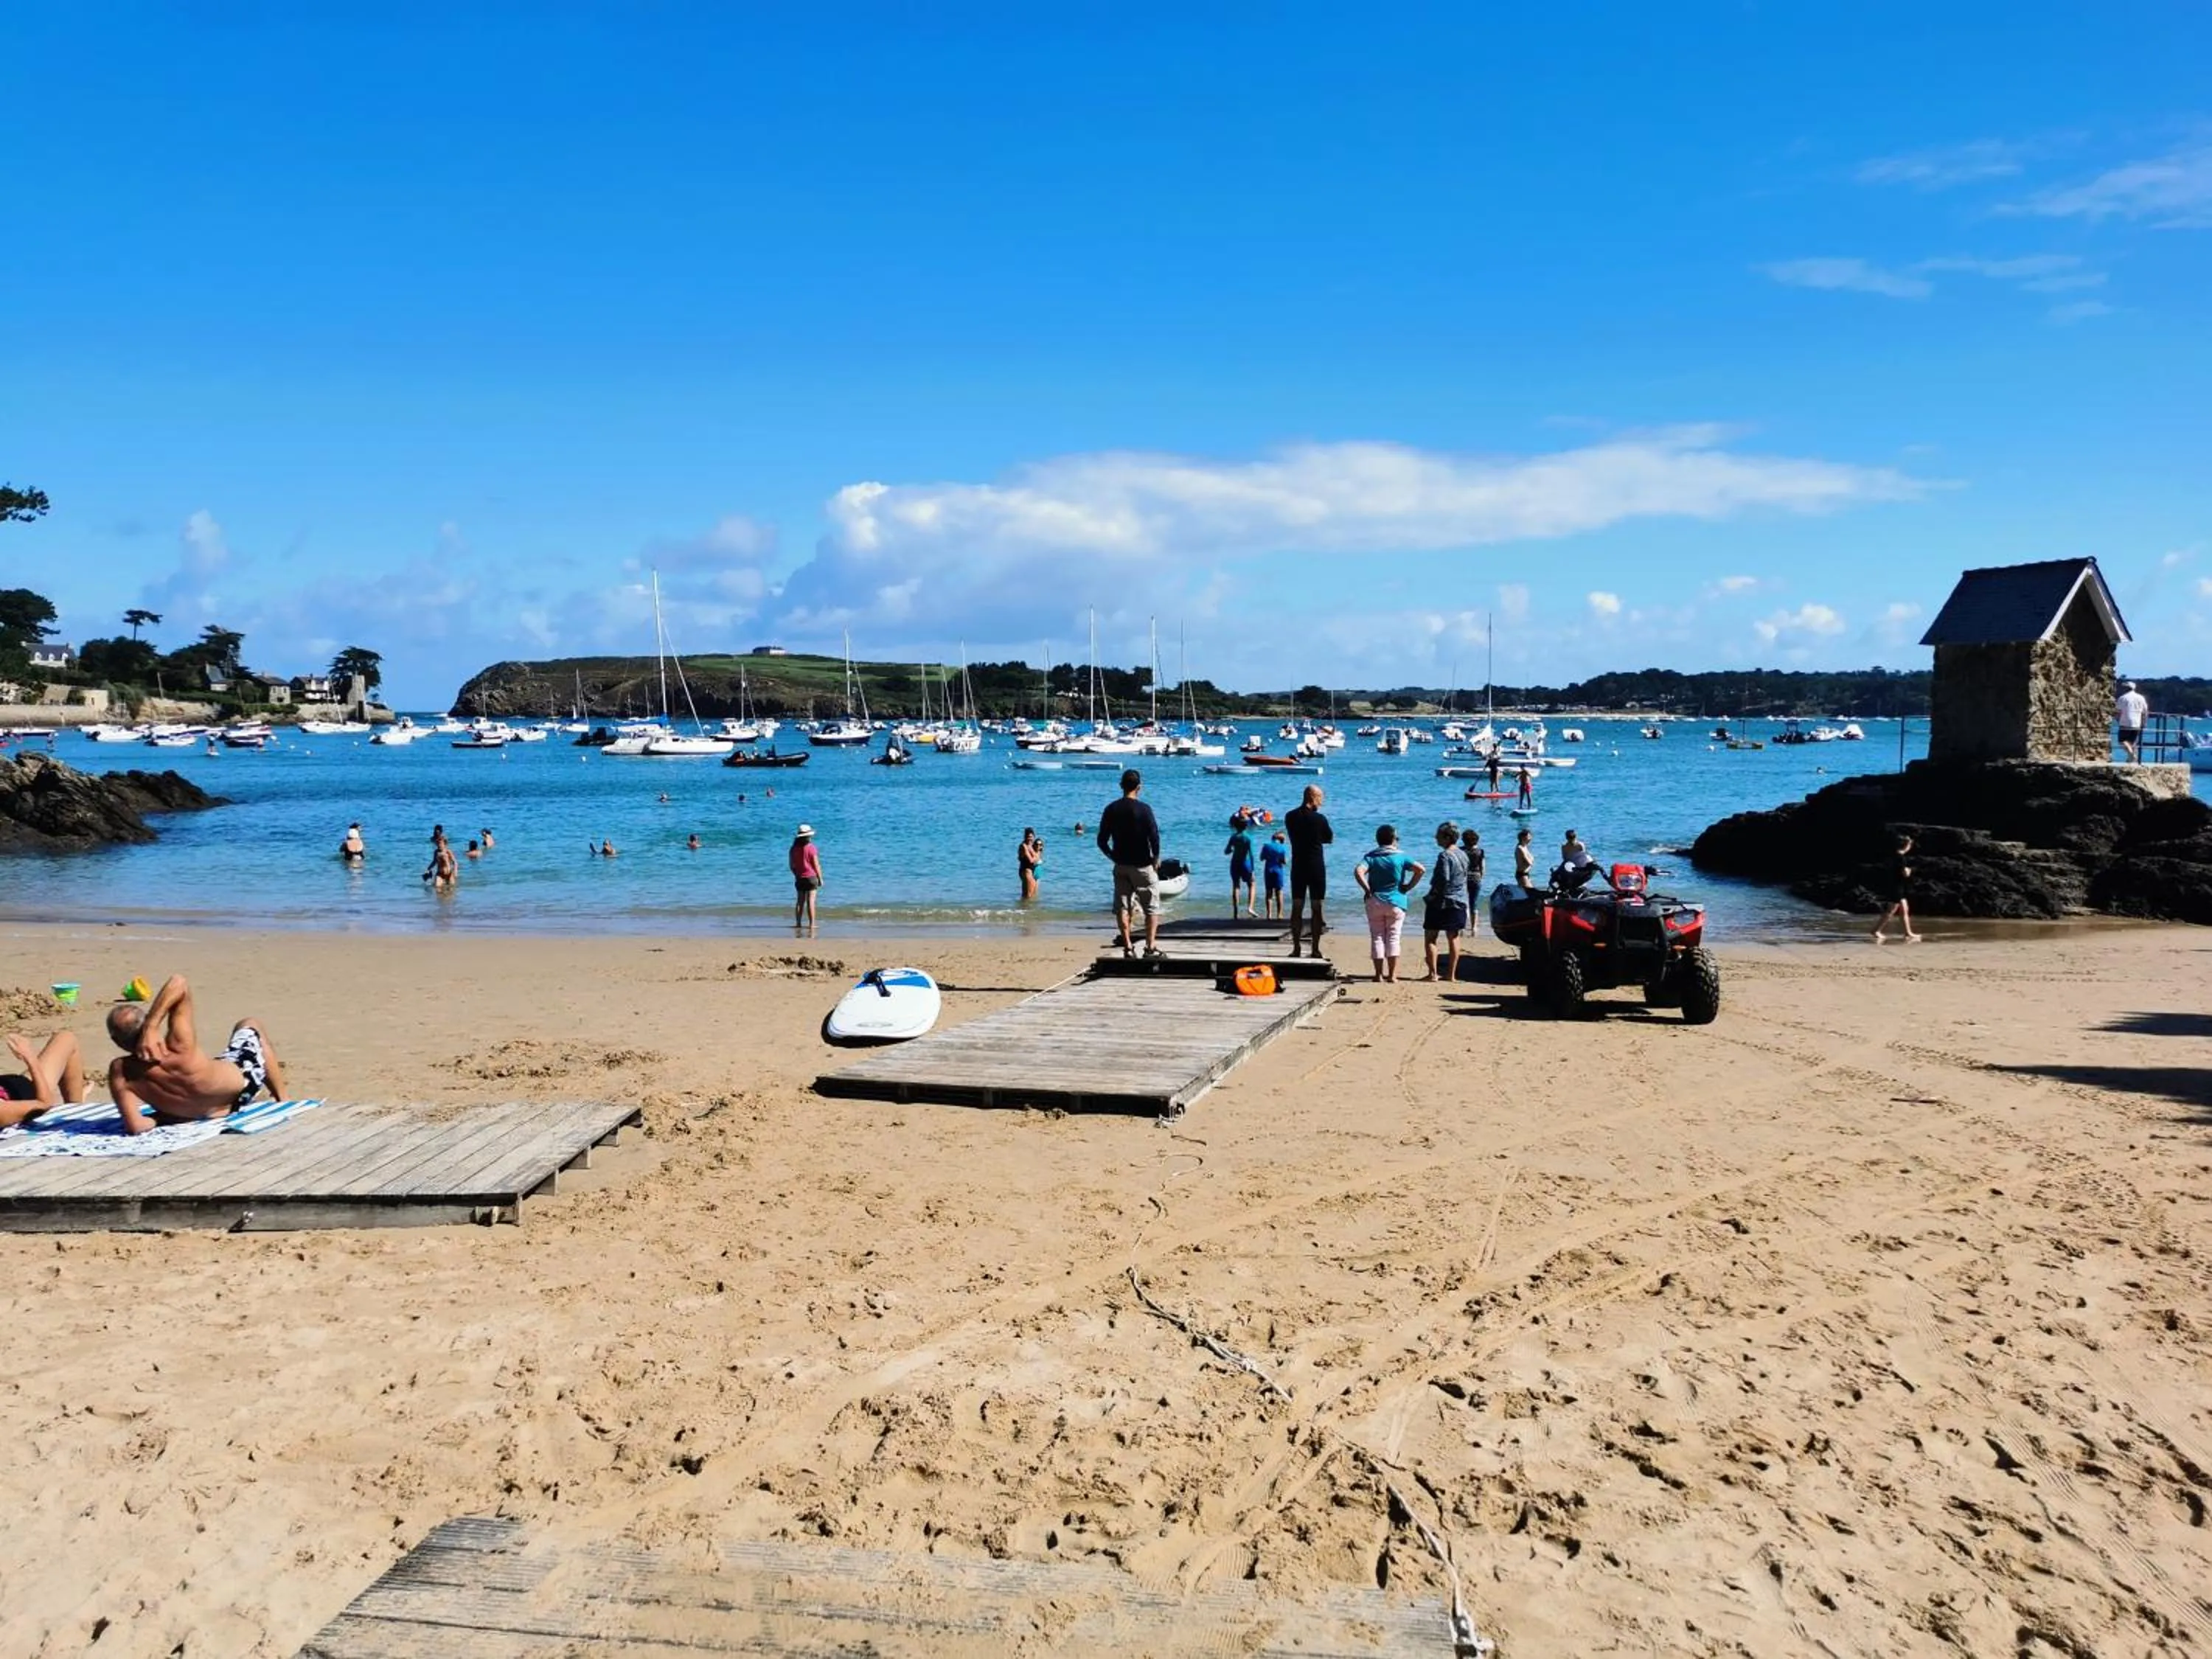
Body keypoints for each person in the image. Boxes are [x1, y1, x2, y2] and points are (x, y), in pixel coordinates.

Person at [104, 975, 287, 1135]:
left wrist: (161, 1118)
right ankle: (283, 1100)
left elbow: (137, 1126)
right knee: (249, 1025)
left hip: (196, 1112)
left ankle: (275, 1099)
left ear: (116, 1041)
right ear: (144, 1027)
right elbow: (179, 982)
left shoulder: (120, 1071)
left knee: (222, 1060)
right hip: (242, 1086)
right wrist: (153, 1026)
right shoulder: (178, 1046)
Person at [1095, 768, 1163, 959]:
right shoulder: (1145, 809)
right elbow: (1154, 838)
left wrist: (1112, 856)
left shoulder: (1111, 809)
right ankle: (1150, 948)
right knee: (1151, 908)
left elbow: (1101, 840)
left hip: (1121, 865)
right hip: (1143, 865)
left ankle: (1128, 948)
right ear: (1139, 787)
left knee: (1123, 907)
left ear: (1121, 786)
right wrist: (1156, 858)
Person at [1353, 824, 1424, 984]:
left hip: (1375, 901)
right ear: (1393, 840)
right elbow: (1421, 870)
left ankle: (1378, 975)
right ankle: (1392, 975)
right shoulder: (1402, 857)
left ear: (1378, 840)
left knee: (1377, 937)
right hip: (1397, 902)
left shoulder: (1371, 856)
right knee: (1393, 937)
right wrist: (1409, 886)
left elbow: (1358, 871)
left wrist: (1367, 889)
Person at [1, 1030, 88, 1128]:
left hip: (12, 1085)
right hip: (35, 1090)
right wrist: (30, 1058)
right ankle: (75, 1109)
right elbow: (44, 1104)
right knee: (67, 1039)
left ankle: (76, 1103)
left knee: (66, 1038)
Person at [1285, 784, 1334, 957]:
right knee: (1317, 908)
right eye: (1320, 799)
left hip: (1298, 865)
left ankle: (1297, 947)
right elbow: (1329, 838)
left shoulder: (1290, 817)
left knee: (1297, 907)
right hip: (1315, 866)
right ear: (1313, 798)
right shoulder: (1320, 819)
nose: (1321, 803)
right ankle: (1315, 949)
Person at [1422, 821, 1471, 984]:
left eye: (1439, 835)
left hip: (1442, 901)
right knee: (1454, 937)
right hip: (1460, 899)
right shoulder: (1463, 854)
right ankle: (1452, 974)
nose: (1436, 838)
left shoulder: (1445, 856)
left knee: (1431, 936)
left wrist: (1432, 896)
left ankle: (1433, 974)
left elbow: (1443, 879)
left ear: (1447, 837)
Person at [1871, 832, 1921, 944]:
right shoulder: (1900, 858)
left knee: (1904, 909)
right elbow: (1905, 873)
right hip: (1897, 886)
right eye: (1910, 845)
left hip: (1896, 885)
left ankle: (1908, 933)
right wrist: (1910, 871)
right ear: (1906, 845)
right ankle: (1876, 930)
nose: (1910, 847)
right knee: (1891, 909)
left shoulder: (1894, 856)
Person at [1223, 811, 1259, 917]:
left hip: (1235, 863)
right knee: (1252, 884)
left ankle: (1236, 912)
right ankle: (1250, 907)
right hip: (1246, 863)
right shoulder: (1248, 838)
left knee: (1236, 886)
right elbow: (1252, 855)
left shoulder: (1233, 837)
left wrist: (1233, 849)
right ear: (1246, 826)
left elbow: (1226, 851)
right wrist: (1253, 869)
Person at [790, 824, 822, 936]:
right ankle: (812, 924)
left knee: (800, 902)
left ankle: (798, 923)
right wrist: (820, 878)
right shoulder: (811, 848)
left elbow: (792, 865)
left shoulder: (794, 848)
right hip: (811, 877)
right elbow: (816, 865)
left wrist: (796, 874)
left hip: (800, 877)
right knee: (811, 902)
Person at [2116, 680, 2149, 763]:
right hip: (2137, 723)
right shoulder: (2141, 698)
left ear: (2126, 688)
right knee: (2132, 742)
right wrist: (2144, 722)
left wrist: (2118, 720)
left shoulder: (2122, 698)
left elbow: (2118, 712)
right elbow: (2145, 711)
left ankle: (2131, 754)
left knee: (2122, 741)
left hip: (2125, 722)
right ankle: (2130, 760)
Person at [1259, 830, 1289, 921]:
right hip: (1278, 870)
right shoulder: (1282, 848)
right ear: (1281, 839)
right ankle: (1279, 914)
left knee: (1269, 893)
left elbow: (1261, 858)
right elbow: (1284, 862)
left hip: (1268, 870)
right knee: (1279, 893)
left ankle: (1269, 914)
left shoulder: (1266, 846)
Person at [1558, 827, 1596, 892]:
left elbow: (1565, 858)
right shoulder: (1580, 845)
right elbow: (1585, 856)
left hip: (1573, 865)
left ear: (1566, 838)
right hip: (1580, 865)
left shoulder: (1564, 847)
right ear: (1576, 837)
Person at [1018, 827, 1045, 901]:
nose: (1030, 839)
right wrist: (1038, 859)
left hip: (1032, 871)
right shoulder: (1024, 846)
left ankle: (1024, 910)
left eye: (1031, 837)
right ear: (1025, 837)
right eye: (1028, 837)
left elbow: (1037, 856)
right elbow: (1031, 860)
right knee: (1028, 895)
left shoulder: (1032, 845)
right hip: (1027, 871)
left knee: (1032, 895)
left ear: (1034, 837)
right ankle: (1024, 910)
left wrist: (1038, 854)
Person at [1513, 827, 1537, 891]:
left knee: (1527, 893)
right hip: (1522, 874)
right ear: (1523, 838)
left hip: (1526, 874)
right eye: (1528, 837)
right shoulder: (1520, 848)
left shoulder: (1524, 847)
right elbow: (1529, 863)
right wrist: (1532, 859)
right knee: (1531, 893)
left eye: (1530, 837)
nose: (1530, 839)